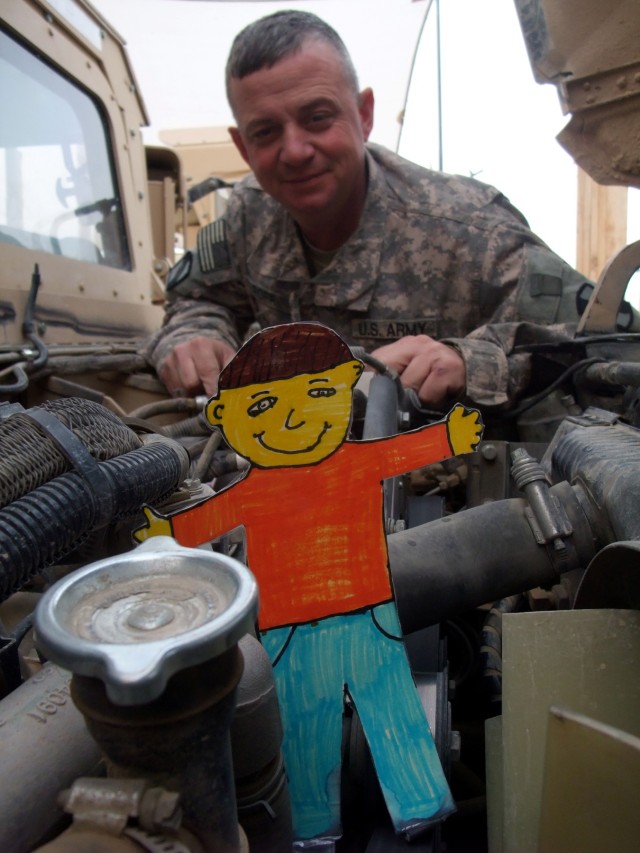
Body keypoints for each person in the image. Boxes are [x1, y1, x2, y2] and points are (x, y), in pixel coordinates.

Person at [135, 322, 484, 844]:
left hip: (366, 617)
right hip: (294, 634)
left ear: (347, 387)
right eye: (262, 408)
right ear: (223, 416)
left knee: (390, 710)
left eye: (319, 394)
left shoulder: (353, 462)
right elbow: (203, 521)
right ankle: (315, 826)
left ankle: (419, 803)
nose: (296, 416)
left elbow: (400, 454)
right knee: (305, 728)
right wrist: (166, 531)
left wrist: (449, 437)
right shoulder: (253, 490)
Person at [142, 9, 592, 412]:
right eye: (265, 132)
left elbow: (595, 341)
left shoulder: (471, 229)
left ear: (364, 115)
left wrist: (466, 361)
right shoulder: (246, 219)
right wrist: (193, 339)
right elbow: (198, 299)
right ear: (242, 145)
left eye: (318, 117)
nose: (295, 151)